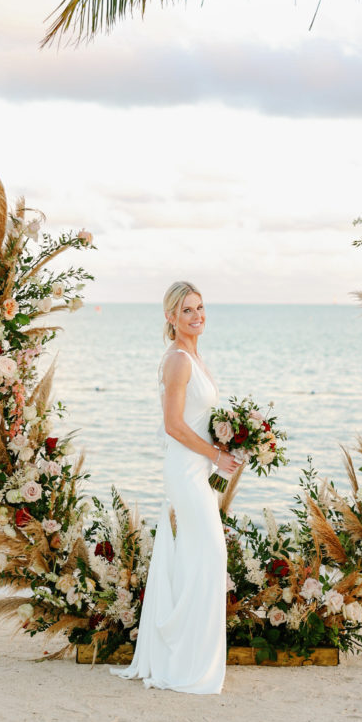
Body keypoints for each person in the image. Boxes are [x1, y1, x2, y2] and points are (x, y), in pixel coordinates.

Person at [109, 280, 240, 694]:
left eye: (200, 307)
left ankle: (185, 655)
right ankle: (186, 662)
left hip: (198, 466)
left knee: (197, 560)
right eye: (187, 310)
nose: (197, 316)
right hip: (185, 471)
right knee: (210, 556)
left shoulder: (196, 357)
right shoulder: (179, 361)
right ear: (170, 317)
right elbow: (173, 425)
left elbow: (197, 420)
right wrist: (216, 456)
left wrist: (225, 445)